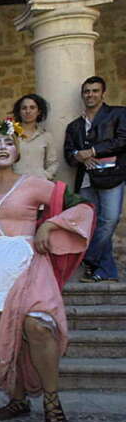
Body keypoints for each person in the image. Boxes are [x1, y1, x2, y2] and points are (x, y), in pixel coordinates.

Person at [0, 120, 94, 422]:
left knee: (37, 326)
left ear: (16, 153)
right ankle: (17, 399)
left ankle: (52, 403)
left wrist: (49, 225)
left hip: (28, 268)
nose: (1, 148)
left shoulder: (33, 184)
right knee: (0, 338)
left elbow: (82, 206)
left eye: (7, 144)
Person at [63, 76, 126, 283]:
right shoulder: (74, 126)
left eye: (95, 91)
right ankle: (105, 270)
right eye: (87, 91)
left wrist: (91, 151)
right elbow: (69, 153)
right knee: (91, 223)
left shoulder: (117, 113)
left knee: (109, 219)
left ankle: (88, 257)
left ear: (102, 93)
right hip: (86, 180)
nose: (90, 95)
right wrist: (78, 156)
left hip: (111, 177)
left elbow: (122, 140)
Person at [11, 94, 59, 180]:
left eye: (32, 108)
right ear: (19, 111)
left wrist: (45, 176)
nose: (28, 111)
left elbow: (53, 163)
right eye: (24, 108)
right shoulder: (11, 135)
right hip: (14, 184)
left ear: (39, 112)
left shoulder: (46, 136)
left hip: (39, 185)